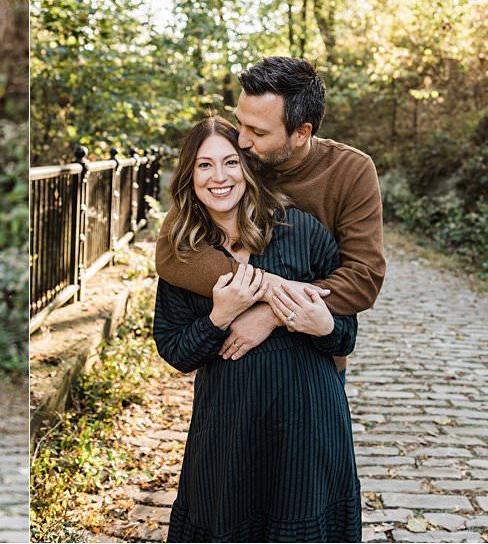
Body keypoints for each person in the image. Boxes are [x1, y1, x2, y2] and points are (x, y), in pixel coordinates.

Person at [152, 117, 360, 542]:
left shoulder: (301, 231)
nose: (219, 177)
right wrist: (219, 317)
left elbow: (346, 334)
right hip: (228, 430)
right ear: (189, 175)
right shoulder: (186, 254)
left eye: (230, 162)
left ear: (247, 167)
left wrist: (322, 325)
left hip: (308, 425)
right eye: (204, 166)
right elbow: (174, 350)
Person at [155, 57, 385, 370]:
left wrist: (274, 313)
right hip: (233, 365)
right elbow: (174, 248)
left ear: (302, 132)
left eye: (258, 132)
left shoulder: (350, 170)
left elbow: (363, 277)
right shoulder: (235, 164)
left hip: (313, 363)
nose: (242, 140)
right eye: (239, 122)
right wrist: (270, 287)